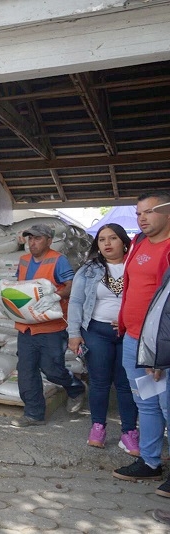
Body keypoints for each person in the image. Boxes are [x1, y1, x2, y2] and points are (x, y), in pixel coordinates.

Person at [113, 192, 170, 496]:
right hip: (134, 339)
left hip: (160, 347)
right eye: (138, 213)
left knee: (168, 405)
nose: (142, 219)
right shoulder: (139, 243)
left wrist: (160, 354)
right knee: (147, 403)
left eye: (148, 212)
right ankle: (150, 462)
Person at [67, 224, 138, 451]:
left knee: (126, 384)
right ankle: (98, 426)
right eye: (102, 239)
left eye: (113, 238)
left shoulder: (136, 265)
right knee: (99, 382)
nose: (107, 243)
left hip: (129, 333)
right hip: (97, 332)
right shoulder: (89, 269)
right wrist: (74, 334)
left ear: (124, 242)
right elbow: (76, 302)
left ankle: (129, 432)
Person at [11, 223, 86, 427]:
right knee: (26, 372)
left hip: (51, 328)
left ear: (49, 240)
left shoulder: (57, 260)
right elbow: (18, 287)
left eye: (37, 238)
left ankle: (76, 387)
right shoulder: (24, 260)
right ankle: (34, 414)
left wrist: (55, 295)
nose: (32, 242)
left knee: (52, 370)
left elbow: (71, 286)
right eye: (29, 239)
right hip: (26, 326)